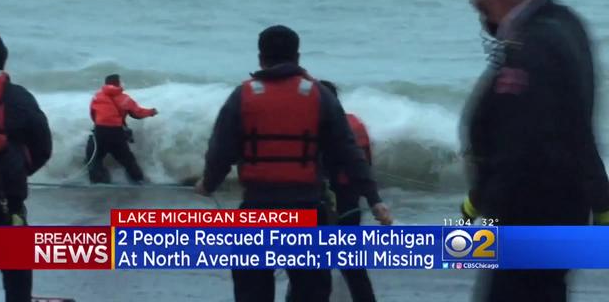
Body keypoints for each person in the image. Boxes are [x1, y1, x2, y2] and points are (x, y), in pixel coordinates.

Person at [195, 25, 392, 302]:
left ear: (261, 58)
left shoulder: (242, 97)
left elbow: (220, 151)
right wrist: (374, 199)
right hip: (307, 213)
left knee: (252, 293)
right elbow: (349, 153)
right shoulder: (320, 96)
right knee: (311, 293)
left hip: (256, 212)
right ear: (297, 57)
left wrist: (208, 183)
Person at [461, 0, 609, 301]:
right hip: (564, 212)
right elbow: (574, 124)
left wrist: (479, 205)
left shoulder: (530, 50)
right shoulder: (567, 24)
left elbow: (521, 143)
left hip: (526, 219)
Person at [0, 27, 52, 302]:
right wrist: (18, 172)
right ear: (2, 61)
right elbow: (43, 147)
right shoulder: (19, 97)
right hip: (7, 202)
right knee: (17, 282)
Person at [317, 80, 377, 302]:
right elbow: (365, 166)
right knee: (352, 266)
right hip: (352, 201)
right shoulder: (354, 124)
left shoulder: (325, 128)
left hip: (330, 202)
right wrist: (373, 199)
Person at [87, 74, 157, 184]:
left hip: (99, 132)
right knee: (128, 160)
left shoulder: (97, 97)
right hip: (116, 134)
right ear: (118, 83)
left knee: (94, 158)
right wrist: (151, 112)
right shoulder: (125, 99)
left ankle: (97, 181)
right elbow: (137, 113)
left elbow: (93, 114)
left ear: (106, 84)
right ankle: (138, 180)